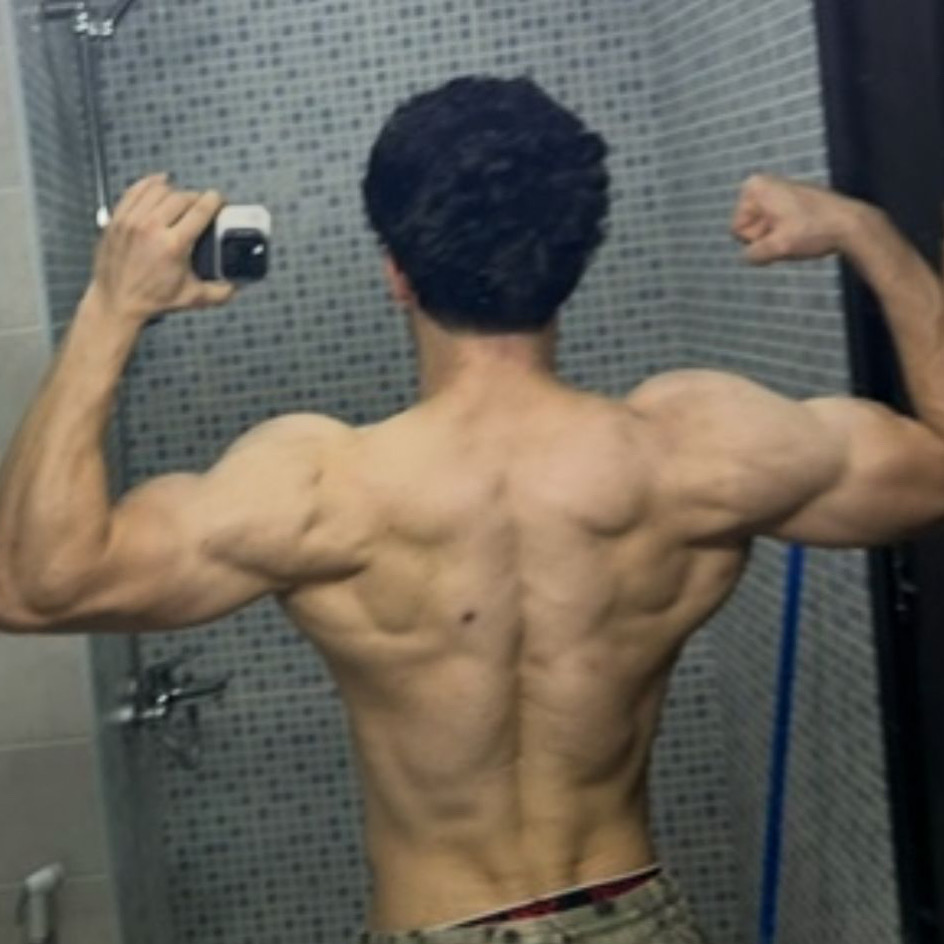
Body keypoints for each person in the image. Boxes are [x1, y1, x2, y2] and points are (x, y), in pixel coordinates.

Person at [1, 75, 943, 944]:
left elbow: (34, 586)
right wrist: (868, 234)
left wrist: (111, 309)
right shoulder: (700, 451)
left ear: (397, 272)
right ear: (574, 258)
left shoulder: (321, 485)